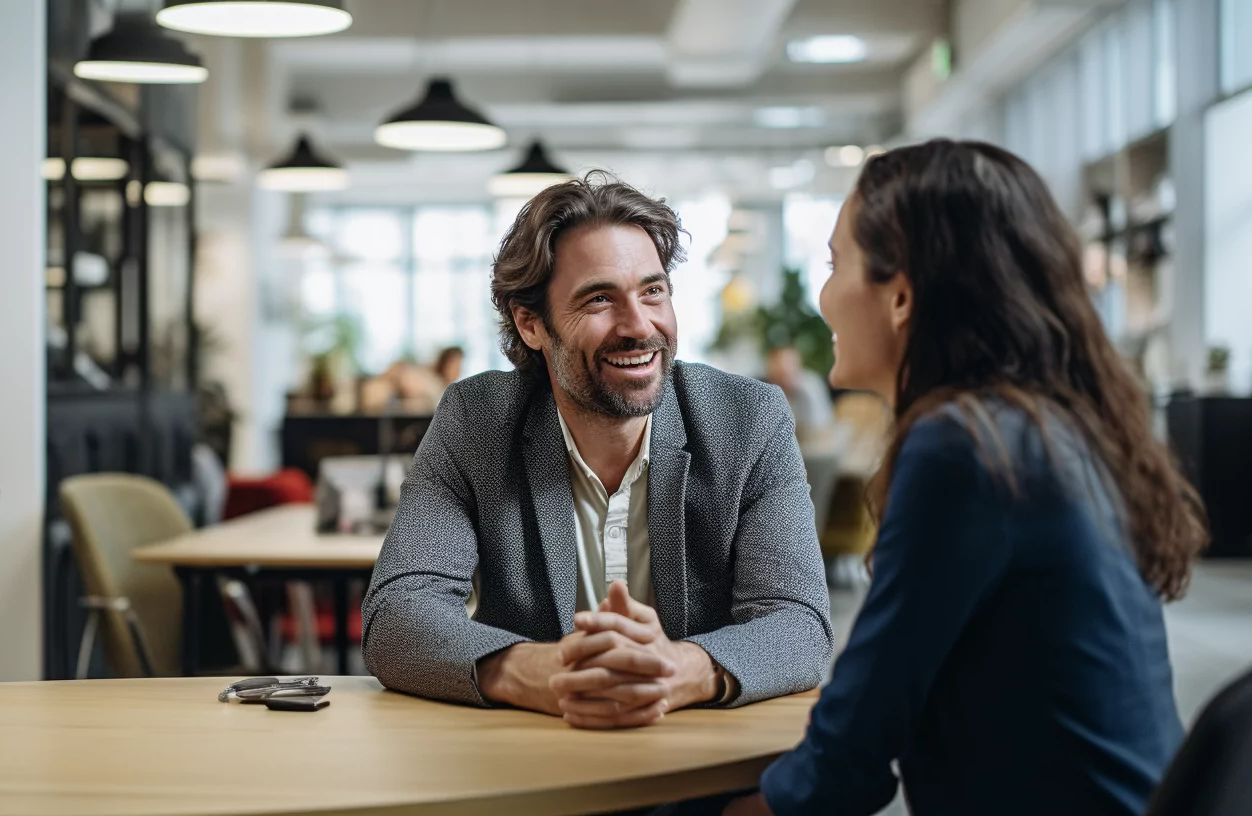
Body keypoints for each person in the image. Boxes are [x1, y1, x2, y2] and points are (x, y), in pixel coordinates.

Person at [725, 140, 1206, 815]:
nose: (825, 294)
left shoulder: (964, 449)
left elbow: (850, 755)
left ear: (900, 296)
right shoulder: (1054, 428)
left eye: (836, 264)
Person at [362, 172, 832, 728]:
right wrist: (539, 671)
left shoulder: (749, 420)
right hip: (533, 767)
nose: (640, 326)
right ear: (531, 324)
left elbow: (800, 623)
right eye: (600, 299)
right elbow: (394, 616)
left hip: (700, 768)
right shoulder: (476, 422)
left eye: (653, 291)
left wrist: (679, 669)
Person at [764, 345, 834, 437]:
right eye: (777, 366)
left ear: (798, 365)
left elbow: (817, 427)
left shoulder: (809, 386)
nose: (784, 368)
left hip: (816, 440)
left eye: (789, 364)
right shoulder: (764, 389)